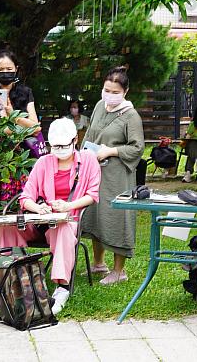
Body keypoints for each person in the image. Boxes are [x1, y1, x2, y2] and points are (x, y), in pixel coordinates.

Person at [0, 118, 100, 314]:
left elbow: (92, 195)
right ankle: (12, 275)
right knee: (9, 225)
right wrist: (37, 208)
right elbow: (26, 197)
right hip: (41, 219)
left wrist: (68, 206)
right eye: (54, 146)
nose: (58, 150)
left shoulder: (88, 161)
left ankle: (61, 287)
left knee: (61, 227)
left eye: (63, 145)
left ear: (74, 141)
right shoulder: (44, 162)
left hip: (68, 220)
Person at [80, 67, 145, 285]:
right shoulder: (100, 106)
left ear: (125, 91)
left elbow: (137, 148)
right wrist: (82, 155)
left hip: (117, 174)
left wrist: (111, 151)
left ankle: (119, 271)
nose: (109, 94)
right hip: (95, 169)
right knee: (95, 213)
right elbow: (89, 133)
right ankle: (99, 263)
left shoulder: (130, 115)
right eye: (106, 89)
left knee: (117, 217)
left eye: (115, 91)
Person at [0, 50, 39, 131]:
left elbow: (36, 127)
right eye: (0, 69)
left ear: (16, 69)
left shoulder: (26, 92)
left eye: (9, 69)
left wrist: (13, 115)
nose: (5, 72)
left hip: (23, 142)